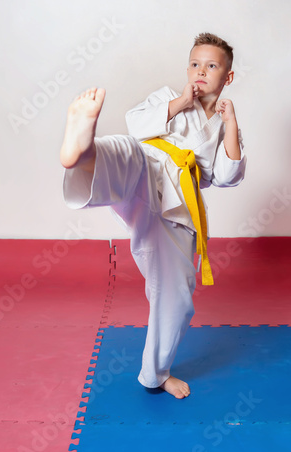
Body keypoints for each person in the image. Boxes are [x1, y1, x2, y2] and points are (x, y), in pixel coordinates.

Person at [60, 33, 246, 399]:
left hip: (178, 212)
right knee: (130, 152)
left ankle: (155, 375)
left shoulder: (226, 129)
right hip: (149, 171)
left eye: (212, 66)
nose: (200, 71)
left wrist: (233, 122)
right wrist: (179, 102)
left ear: (228, 77)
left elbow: (226, 176)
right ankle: (82, 152)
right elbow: (137, 125)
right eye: (195, 64)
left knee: (177, 297)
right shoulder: (168, 97)